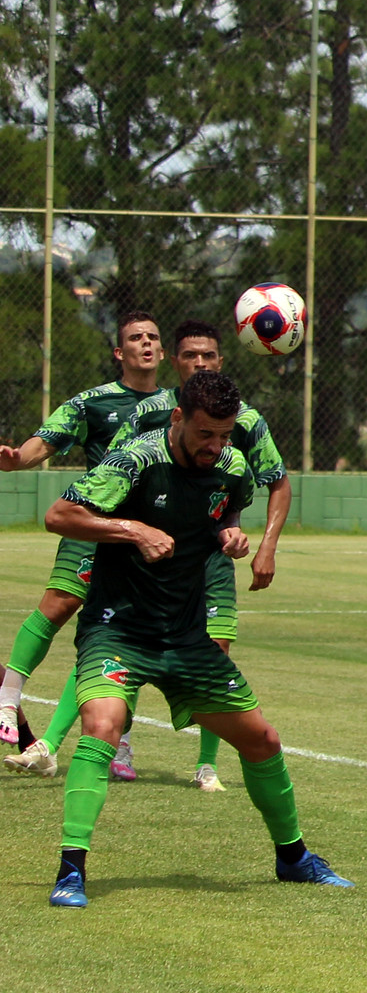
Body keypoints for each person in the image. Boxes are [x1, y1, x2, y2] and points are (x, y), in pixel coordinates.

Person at [37, 370, 349, 907]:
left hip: (184, 636)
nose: (216, 446)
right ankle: (72, 870)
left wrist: (228, 532)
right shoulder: (133, 461)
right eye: (206, 434)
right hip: (118, 629)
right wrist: (133, 529)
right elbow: (60, 515)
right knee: (102, 726)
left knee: (263, 741)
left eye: (225, 435)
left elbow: (225, 506)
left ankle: (294, 859)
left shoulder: (230, 466)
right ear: (179, 418)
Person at [70, 319, 291, 790]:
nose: (200, 363)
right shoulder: (148, 421)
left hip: (201, 567)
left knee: (224, 661)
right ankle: (76, 752)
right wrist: (130, 528)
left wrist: (241, 537)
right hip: (128, 576)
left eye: (208, 356)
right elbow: (95, 485)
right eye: (191, 356)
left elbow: (251, 494)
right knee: (99, 690)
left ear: (221, 361)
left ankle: (208, 766)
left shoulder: (242, 432)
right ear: (177, 361)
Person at [0, 311, 166, 776]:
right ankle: (8, 701)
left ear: (163, 351)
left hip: (145, 537)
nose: (146, 344)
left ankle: (63, 744)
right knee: (57, 605)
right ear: (120, 352)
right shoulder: (93, 402)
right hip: (95, 524)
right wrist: (16, 461)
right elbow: (42, 443)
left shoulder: (178, 407)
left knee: (105, 634)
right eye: (136, 338)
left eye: (154, 338)